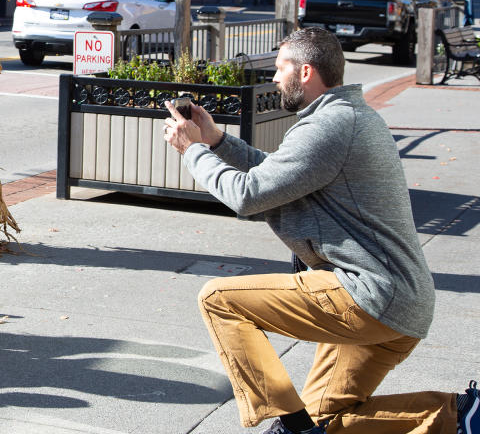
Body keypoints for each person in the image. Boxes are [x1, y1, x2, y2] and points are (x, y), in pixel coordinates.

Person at [161, 27, 477, 434]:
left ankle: (289, 428)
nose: (274, 78)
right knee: (326, 421)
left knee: (219, 300)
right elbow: (277, 173)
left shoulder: (329, 125)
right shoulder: (346, 116)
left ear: (306, 72)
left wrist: (193, 150)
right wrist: (218, 141)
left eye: (280, 68)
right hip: (400, 301)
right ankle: (459, 417)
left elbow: (246, 194)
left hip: (368, 294)